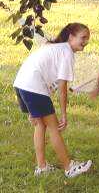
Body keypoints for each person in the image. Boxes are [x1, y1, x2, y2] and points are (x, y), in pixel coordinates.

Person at [13, 23, 92, 177]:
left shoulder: (57, 48)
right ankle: (69, 168)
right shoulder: (66, 52)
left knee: (40, 125)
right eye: (83, 37)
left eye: (87, 39)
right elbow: (62, 88)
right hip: (33, 86)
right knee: (54, 127)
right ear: (71, 37)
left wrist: (32, 107)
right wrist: (63, 114)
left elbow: (47, 77)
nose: (85, 42)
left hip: (21, 84)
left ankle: (41, 167)